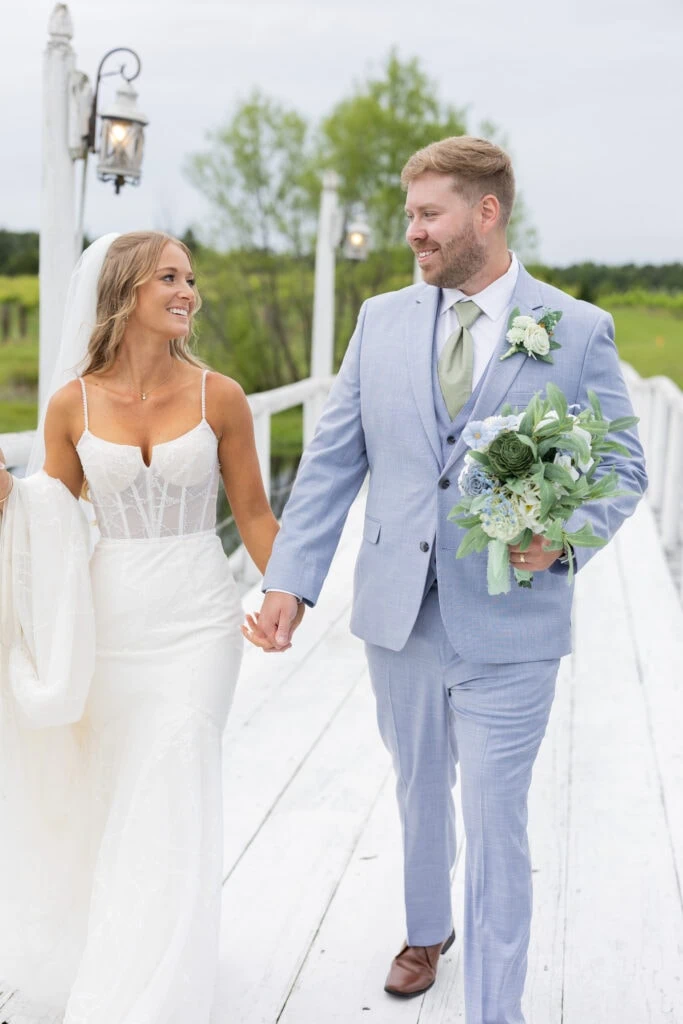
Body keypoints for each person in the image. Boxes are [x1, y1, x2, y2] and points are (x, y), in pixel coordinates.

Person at [244, 137, 647, 1023]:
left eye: (429, 214)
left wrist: (563, 538)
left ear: (486, 213)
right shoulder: (379, 320)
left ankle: (494, 1013)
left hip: (512, 619)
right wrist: (289, 581)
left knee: (496, 821)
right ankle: (426, 929)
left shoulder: (573, 329)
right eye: (410, 215)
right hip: (398, 610)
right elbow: (330, 461)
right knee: (419, 788)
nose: (413, 232)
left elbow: (622, 466)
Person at [0, 231, 301, 1023]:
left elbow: (256, 514)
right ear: (125, 289)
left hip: (199, 621)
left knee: (174, 777)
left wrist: (291, 594)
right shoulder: (71, 403)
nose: (187, 291)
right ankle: (123, 950)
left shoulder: (220, 397)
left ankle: (154, 997)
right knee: (119, 794)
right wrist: (10, 495)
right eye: (169, 277)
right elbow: (50, 515)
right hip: (110, 624)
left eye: (190, 278)